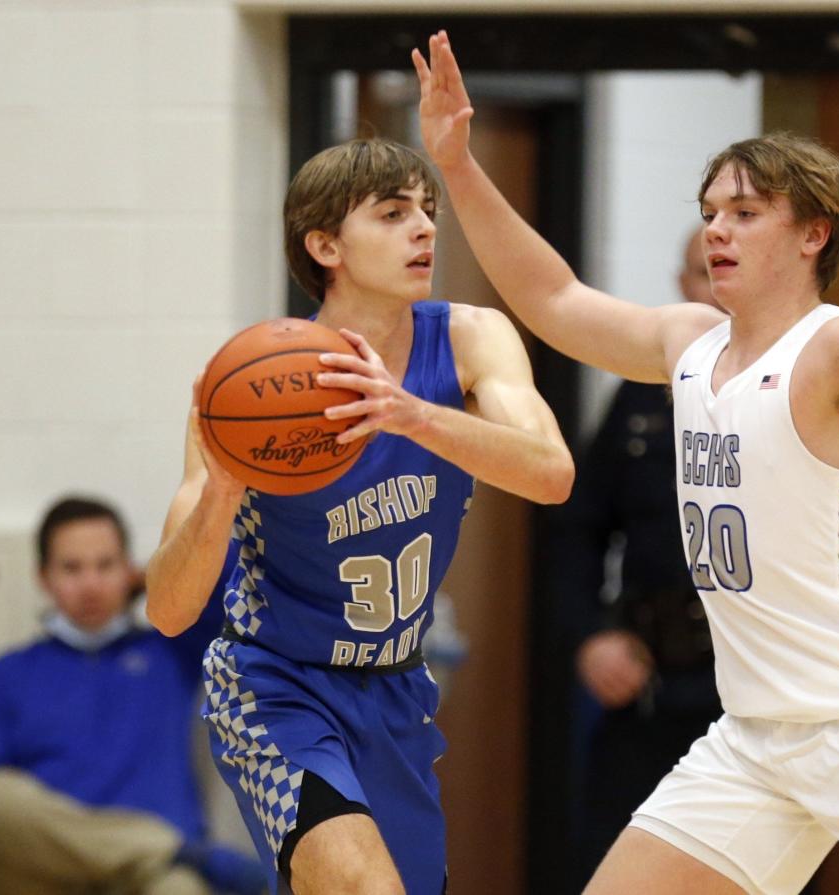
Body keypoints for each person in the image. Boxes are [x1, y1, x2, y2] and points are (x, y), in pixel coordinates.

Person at [414, 32, 839, 895]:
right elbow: (554, 299)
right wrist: (458, 166)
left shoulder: (834, 348)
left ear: (813, 235)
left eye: (745, 212)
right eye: (711, 209)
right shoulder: (689, 343)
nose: (716, 227)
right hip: (757, 733)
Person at [144, 138, 573, 895]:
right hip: (276, 685)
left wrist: (411, 416)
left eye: (428, 211)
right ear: (325, 244)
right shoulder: (249, 391)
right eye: (393, 212)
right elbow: (171, 609)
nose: (425, 229)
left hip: (397, 688)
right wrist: (220, 492)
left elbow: (551, 474)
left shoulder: (469, 340)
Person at [0, 496, 264, 895]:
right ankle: (182, 852)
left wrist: (160, 574)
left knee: (180, 889)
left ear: (127, 571)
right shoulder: (3, 677)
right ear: (43, 578)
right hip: (42, 873)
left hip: (149, 880)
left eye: (105, 565)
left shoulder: (171, 652)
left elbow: (239, 575)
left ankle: (170, 858)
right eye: (72, 568)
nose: (90, 584)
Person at [559, 226, 725, 884]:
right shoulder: (637, 398)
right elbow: (577, 529)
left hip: (759, 694)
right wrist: (593, 635)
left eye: (726, 270)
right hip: (651, 684)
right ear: (681, 288)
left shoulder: (805, 383)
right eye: (700, 272)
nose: (714, 287)